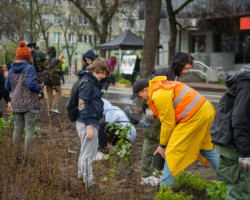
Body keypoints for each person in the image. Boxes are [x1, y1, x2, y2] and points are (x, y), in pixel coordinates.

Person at [131, 76, 219, 188]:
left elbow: (168, 124)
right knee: (206, 147)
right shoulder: (159, 87)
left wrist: (162, 145)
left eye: (140, 96)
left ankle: (164, 188)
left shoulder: (159, 96)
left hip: (193, 115)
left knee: (172, 151)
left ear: (145, 89)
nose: (141, 100)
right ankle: (226, 180)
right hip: (205, 111)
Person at [138, 52, 194, 186]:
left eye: (188, 69)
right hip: (153, 114)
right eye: (185, 68)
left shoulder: (174, 75)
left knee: (162, 143)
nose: (185, 71)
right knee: (150, 142)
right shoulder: (162, 72)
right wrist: (148, 108)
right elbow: (147, 90)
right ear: (179, 64)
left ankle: (158, 172)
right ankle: (145, 175)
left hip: (162, 114)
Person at [210, 65, 250, 200]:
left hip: (236, 141)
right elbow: (239, 119)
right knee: (239, 193)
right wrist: (244, 154)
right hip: (234, 146)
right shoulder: (247, 82)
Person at [76, 57, 110, 194]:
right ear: (96, 70)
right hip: (87, 122)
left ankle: (81, 179)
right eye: (103, 73)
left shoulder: (92, 81)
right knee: (89, 154)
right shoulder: (88, 83)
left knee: (84, 152)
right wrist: (88, 125)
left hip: (88, 121)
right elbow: (81, 103)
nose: (104, 76)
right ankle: (89, 185)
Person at [5, 41, 42, 164]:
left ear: (17, 56)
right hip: (30, 104)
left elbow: (7, 87)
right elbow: (32, 85)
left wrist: (16, 90)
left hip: (17, 104)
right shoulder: (29, 68)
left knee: (17, 130)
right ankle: (28, 159)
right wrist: (39, 87)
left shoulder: (11, 70)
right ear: (28, 56)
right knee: (29, 131)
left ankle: (16, 158)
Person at [44, 46, 62, 114]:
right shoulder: (57, 60)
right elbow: (59, 71)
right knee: (59, 92)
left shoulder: (45, 60)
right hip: (55, 79)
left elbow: (44, 69)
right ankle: (54, 106)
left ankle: (49, 111)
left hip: (47, 78)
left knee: (49, 95)